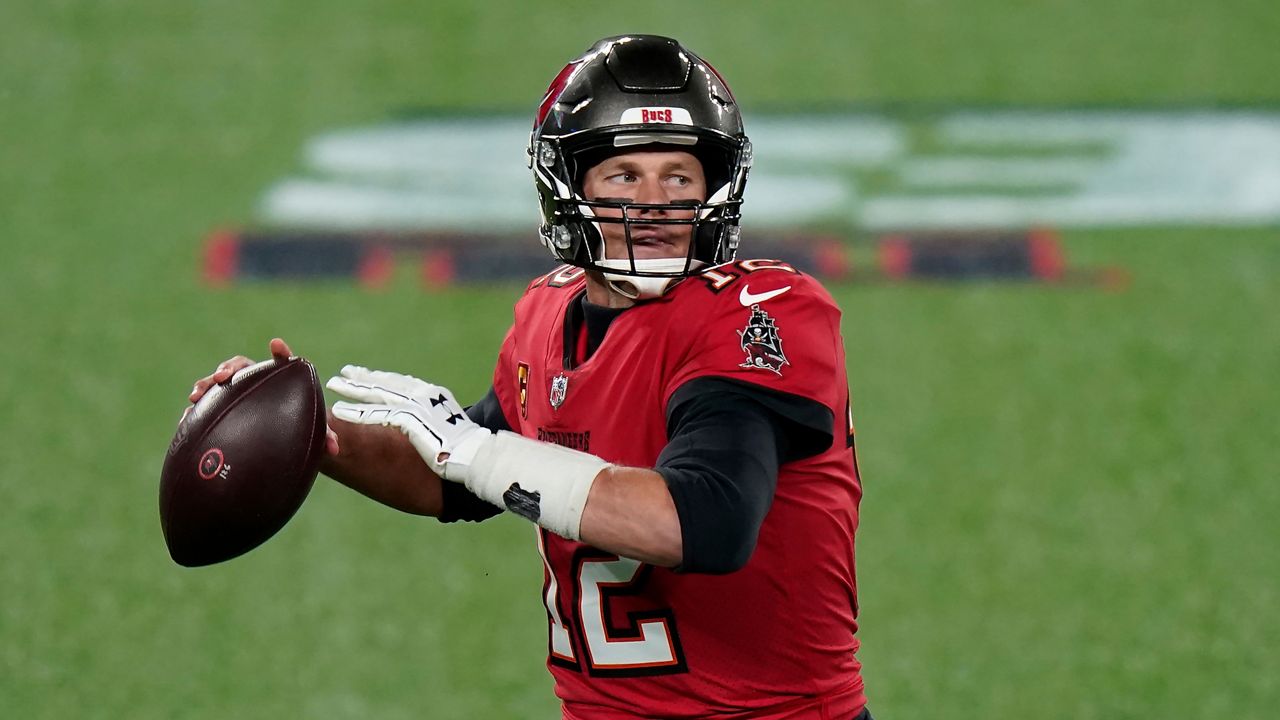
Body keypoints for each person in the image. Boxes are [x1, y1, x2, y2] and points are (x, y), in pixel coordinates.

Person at [189, 35, 870, 720]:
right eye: (625, 175)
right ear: (569, 187)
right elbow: (457, 478)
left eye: (680, 176)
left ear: (713, 190)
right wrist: (310, 432)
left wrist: (481, 453)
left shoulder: (760, 315)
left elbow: (708, 523)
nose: (656, 202)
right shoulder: (547, 314)